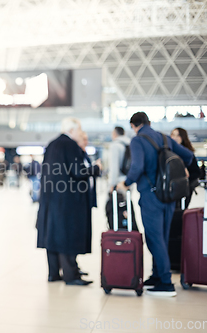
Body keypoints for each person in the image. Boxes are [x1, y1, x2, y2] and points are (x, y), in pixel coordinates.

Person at [117, 112, 193, 297]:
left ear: (134, 125)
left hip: (151, 197)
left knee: (153, 238)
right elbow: (189, 155)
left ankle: (166, 283)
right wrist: (183, 169)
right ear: (148, 122)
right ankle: (157, 276)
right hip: (169, 196)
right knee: (162, 238)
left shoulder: (138, 140)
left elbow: (137, 167)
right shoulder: (165, 138)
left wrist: (125, 183)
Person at [36, 117, 102, 285]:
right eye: (79, 130)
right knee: (68, 235)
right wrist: (95, 169)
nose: (80, 134)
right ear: (72, 130)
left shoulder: (51, 144)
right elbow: (78, 172)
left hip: (50, 198)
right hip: (68, 199)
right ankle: (71, 275)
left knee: (51, 235)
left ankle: (53, 273)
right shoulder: (70, 145)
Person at [170, 127, 201, 209]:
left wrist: (185, 176)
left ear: (183, 137)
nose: (175, 138)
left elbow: (197, 172)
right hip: (170, 190)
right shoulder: (168, 153)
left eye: (178, 135)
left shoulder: (188, 154)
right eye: (173, 135)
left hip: (184, 190)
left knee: (180, 213)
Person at [108, 126, 131, 192]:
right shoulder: (130, 144)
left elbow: (114, 166)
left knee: (116, 201)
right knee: (127, 201)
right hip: (128, 181)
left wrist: (112, 184)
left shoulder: (115, 145)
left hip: (118, 183)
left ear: (114, 134)